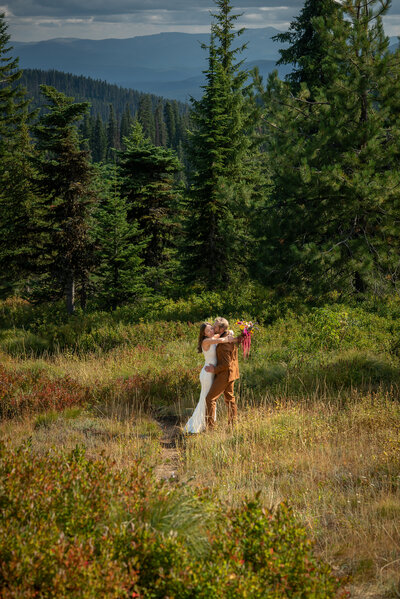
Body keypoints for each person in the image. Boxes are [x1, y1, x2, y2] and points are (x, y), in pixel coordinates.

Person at [183, 322, 235, 434]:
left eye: (211, 328)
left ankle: (207, 423)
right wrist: (229, 338)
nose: (211, 331)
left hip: (213, 372)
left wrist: (230, 332)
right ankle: (198, 425)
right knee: (206, 398)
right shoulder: (206, 341)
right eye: (208, 331)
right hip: (207, 373)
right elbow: (221, 340)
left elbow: (220, 335)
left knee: (209, 399)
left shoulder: (213, 337)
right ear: (204, 334)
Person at [205, 317, 240, 429]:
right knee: (230, 399)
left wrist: (214, 369)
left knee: (210, 399)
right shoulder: (227, 336)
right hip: (232, 372)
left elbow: (226, 364)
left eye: (215, 326)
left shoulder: (225, 344)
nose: (213, 327)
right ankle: (233, 425)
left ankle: (210, 427)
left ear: (221, 329)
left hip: (225, 374)